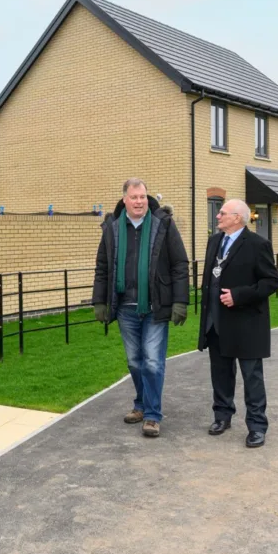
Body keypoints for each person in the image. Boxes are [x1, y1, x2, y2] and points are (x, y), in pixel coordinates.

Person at [92, 178, 189, 438]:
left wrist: (180, 301)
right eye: (134, 197)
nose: (139, 202)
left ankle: (152, 415)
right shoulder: (112, 228)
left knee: (153, 362)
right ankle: (141, 403)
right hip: (126, 307)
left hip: (155, 305)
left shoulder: (163, 224)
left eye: (143, 197)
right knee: (135, 362)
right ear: (125, 199)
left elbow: (180, 264)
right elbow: (103, 267)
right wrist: (99, 301)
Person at [199, 199, 278, 449]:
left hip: (246, 324)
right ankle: (222, 416)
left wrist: (239, 295)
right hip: (216, 322)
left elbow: (271, 282)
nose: (218, 216)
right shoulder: (215, 242)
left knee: (251, 377)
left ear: (237, 217)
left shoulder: (258, 245)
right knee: (220, 374)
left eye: (222, 213)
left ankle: (256, 426)